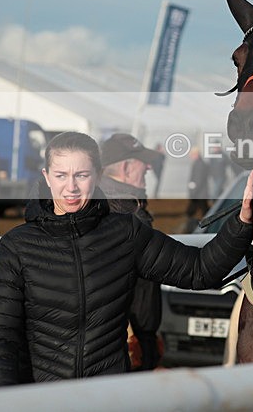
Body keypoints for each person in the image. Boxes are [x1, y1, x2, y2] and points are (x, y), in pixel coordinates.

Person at [0, 131, 253, 386]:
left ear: (98, 176)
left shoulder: (126, 232)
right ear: (47, 176)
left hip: (109, 395)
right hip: (43, 399)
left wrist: (241, 221)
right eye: (61, 175)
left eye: (82, 175)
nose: (71, 187)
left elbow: (199, 270)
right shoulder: (17, 246)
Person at [99, 132, 164, 371]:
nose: (148, 166)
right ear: (125, 168)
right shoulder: (121, 216)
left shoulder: (125, 208)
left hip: (130, 340)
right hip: (123, 346)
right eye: (142, 162)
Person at [186, 148, 210, 220]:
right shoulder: (199, 163)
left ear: (196, 154)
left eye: (192, 155)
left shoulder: (199, 164)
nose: (191, 156)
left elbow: (198, 179)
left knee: (203, 210)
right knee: (203, 209)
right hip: (200, 192)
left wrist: (194, 190)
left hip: (199, 192)